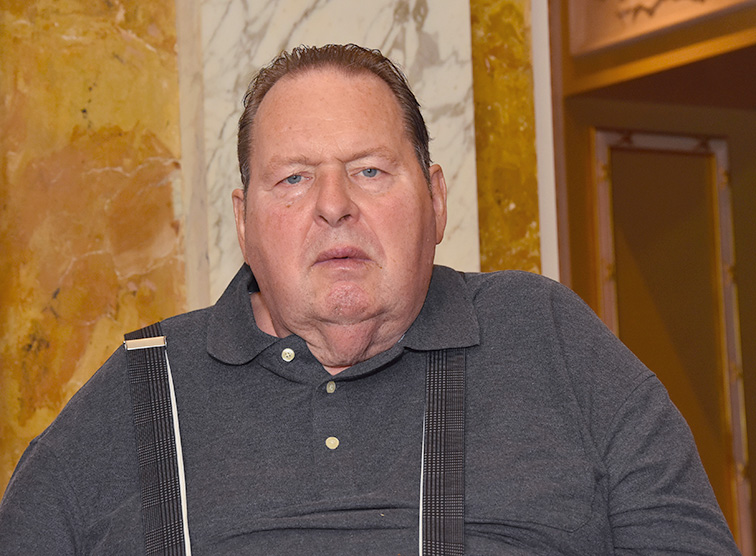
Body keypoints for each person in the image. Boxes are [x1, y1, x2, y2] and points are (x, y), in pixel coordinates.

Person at [0, 44, 742, 555]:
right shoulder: (141, 383)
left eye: (370, 171)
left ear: (437, 200)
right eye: (294, 178)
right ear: (243, 223)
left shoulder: (548, 337)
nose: (334, 206)